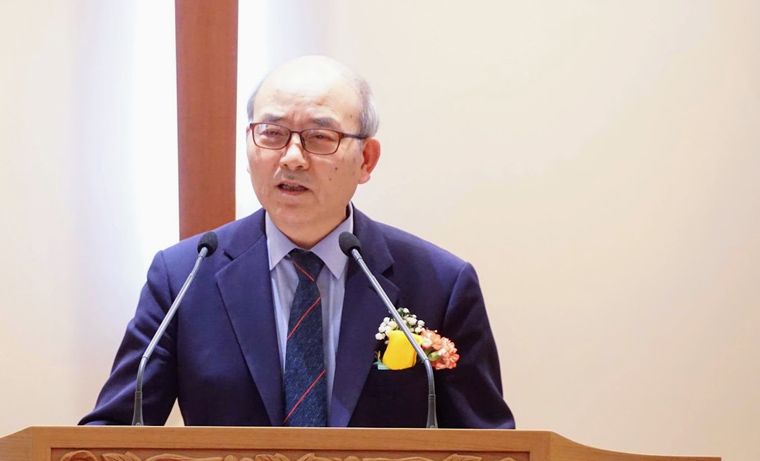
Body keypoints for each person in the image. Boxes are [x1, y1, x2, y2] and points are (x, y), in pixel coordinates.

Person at [80, 56, 513, 428]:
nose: (291, 157)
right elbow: (111, 439)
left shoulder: (440, 284)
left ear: (366, 160)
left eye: (319, 137)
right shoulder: (182, 278)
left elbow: (491, 457)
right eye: (271, 133)